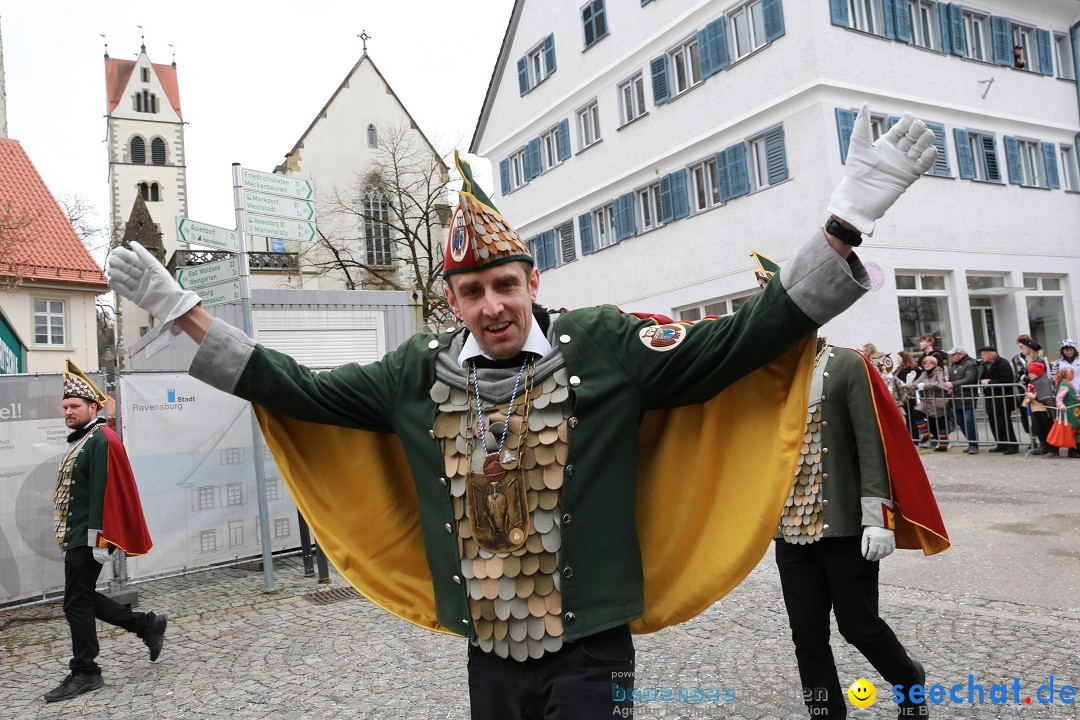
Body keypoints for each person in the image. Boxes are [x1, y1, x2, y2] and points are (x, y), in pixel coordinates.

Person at [107, 106, 938, 717]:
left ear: (533, 283)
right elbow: (299, 390)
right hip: (490, 648)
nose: (493, 305)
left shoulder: (606, 345)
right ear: (453, 299)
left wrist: (845, 224)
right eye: (473, 292)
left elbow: (740, 342)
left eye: (506, 285)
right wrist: (185, 311)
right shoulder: (414, 372)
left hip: (594, 645)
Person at [776, 339, 948, 719]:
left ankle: (908, 679)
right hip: (789, 527)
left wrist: (878, 517)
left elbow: (872, 443)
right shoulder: (764, 372)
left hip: (846, 526)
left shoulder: (847, 364)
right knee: (806, 636)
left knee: (859, 626)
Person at [45, 361, 164, 703]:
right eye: (65, 407)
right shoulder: (87, 439)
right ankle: (146, 625)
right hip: (78, 534)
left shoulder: (103, 439)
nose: (68, 412)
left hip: (90, 537)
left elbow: (107, 492)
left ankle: (86, 671)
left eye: (74, 406)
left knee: (75, 602)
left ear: (93, 407)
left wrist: (100, 540)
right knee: (80, 598)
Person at [979, 346, 1019, 454]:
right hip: (990, 398)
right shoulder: (983, 365)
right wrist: (982, 381)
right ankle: (1001, 443)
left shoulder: (1003, 363)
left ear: (990, 354)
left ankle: (1012, 445)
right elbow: (980, 378)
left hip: (1002, 398)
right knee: (993, 421)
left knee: (1004, 422)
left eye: (983, 354)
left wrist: (990, 383)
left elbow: (1007, 380)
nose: (981, 357)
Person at [944, 347, 980, 454]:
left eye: (953, 354)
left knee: (969, 421)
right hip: (956, 397)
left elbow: (970, 378)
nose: (952, 357)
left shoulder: (970, 364)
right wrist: (950, 385)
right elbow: (952, 379)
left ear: (960, 354)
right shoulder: (953, 365)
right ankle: (970, 443)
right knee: (960, 421)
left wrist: (953, 384)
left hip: (968, 397)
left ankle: (974, 445)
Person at [910, 355, 949, 451]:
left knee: (940, 423)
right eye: (925, 363)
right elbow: (916, 382)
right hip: (926, 400)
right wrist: (916, 385)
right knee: (916, 413)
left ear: (934, 364)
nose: (926, 364)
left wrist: (926, 385)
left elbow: (941, 383)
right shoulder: (924, 373)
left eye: (929, 363)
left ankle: (943, 445)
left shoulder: (939, 372)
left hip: (937, 400)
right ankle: (926, 435)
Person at [1023, 361, 1054, 456]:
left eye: (1031, 373)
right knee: (1038, 429)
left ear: (1037, 373)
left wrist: (1033, 397)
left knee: (1047, 429)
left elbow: (1046, 398)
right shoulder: (1033, 382)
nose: (1029, 375)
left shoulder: (1043, 382)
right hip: (1035, 409)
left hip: (1044, 410)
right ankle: (1044, 446)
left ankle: (1052, 447)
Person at [1050, 367, 1080, 458]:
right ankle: (1071, 450)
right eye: (1072, 373)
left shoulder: (1068, 384)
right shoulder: (1064, 385)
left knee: (1074, 429)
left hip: (1073, 410)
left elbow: (1072, 397)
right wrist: (1061, 406)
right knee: (1071, 429)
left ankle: (1072, 449)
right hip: (1068, 412)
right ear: (1067, 375)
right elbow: (1059, 398)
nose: (1073, 375)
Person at [895, 351, 921, 441]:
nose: (897, 359)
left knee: (910, 419)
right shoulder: (898, 369)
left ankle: (915, 439)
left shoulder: (912, 369)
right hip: (900, 397)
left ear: (904, 358)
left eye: (898, 357)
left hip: (908, 397)